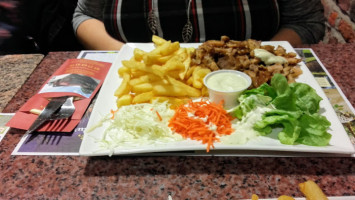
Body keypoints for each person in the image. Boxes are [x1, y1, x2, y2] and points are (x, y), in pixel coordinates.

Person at [72, 0, 325, 51]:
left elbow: (305, 21)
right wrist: (129, 57)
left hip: (255, 95)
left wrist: (260, 59)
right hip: (141, 99)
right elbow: (84, 16)